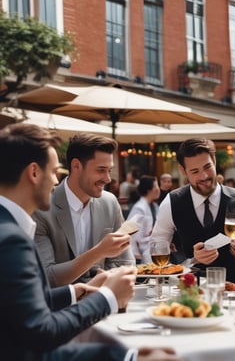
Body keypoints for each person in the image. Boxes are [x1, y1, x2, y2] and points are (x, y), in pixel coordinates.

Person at [0, 124, 181, 361]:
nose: (56, 180)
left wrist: (74, 292)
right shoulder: (12, 239)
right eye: (54, 171)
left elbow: (18, 309)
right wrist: (106, 297)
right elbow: (40, 333)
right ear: (34, 173)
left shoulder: (9, 227)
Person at [33, 133, 135, 287]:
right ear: (76, 166)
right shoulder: (41, 208)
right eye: (101, 170)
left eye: (109, 170)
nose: (108, 178)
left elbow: (126, 263)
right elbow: (47, 276)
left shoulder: (110, 202)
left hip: (104, 300)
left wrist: (101, 279)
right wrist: (99, 252)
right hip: (60, 306)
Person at [149, 138, 235, 283]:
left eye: (207, 167)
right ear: (182, 170)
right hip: (188, 292)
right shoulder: (171, 202)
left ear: (215, 161)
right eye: (195, 171)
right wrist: (193, 260)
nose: (204, 176)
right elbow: (157, 252)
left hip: (232, 290)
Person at [127, 175, 160, 263]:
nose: (158, 190)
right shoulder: (139, 208)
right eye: (156, 186)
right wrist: (135, 253)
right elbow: (130, 232)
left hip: (152, 247)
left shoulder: (154, 206)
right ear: (149, 190)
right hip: (142, 251)